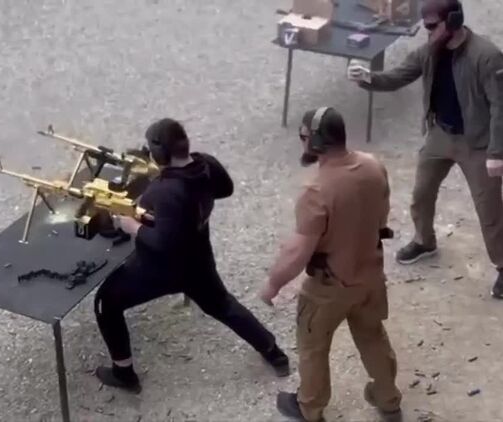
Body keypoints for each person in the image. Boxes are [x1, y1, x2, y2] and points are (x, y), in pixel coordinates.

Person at [93, 118, 290, 393]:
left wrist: (131, 227)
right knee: (223, 305)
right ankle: (274, 353)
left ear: (160, 153)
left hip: (159, 269)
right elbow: (226, 189)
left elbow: (162, 242)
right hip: (198, 259)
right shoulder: (205, 165)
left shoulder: (165, 190)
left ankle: (124, 372)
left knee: (106, 302)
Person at [348, 0, 503, 298]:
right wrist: (367, 78)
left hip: (477, 143)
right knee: (421, 194)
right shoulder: (430, 51)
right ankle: (424, 240)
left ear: (453, 21)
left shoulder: (487, 56)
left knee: (490, 210)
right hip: (440, 134)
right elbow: (399, 76)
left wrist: (496, 153)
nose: (428, 32)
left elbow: (500, 106)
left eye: (433, 25)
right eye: (426, 25)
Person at [260, 108, 402, 422]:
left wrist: (272, 284)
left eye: (303, 136)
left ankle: (309, 408)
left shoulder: (316, 191)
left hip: (329, 287)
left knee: (313, 347)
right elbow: (381, 218)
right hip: (370, 275)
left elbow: (298, 252)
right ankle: (388, 398)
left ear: (315, 141)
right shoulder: (373, 166)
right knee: (372, 335)